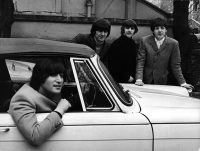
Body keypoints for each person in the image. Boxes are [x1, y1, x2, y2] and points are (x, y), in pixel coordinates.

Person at [8, 58, 72, 146]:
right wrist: (59, 110)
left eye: (61, 75)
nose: (59, 80)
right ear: (41, 76)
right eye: (53, 75)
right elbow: (34, 136)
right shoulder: (23, 98)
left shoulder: (48, 93)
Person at [135, 18, 193, 90]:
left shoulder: (173, 43)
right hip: (145, 81)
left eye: (162, 28)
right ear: (153, 30)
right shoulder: (144, 41)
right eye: (156, 28)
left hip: (162, 81)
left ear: (166, 30)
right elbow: (140, 61)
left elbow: (175, 65)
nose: (160, 30)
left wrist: (183, 83)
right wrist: (139, 79)